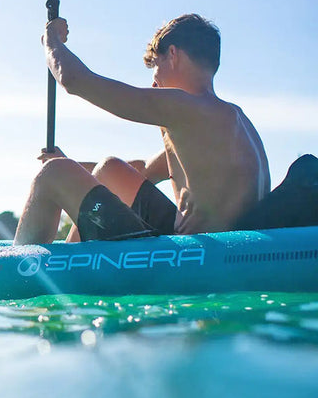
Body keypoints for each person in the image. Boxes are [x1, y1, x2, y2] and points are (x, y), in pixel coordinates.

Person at [14, 13, 270, 245]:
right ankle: (75, 257)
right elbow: (145, 170)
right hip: (225, 245)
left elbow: (74, 80)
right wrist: (73, 164)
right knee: (110, 168)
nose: (154, 81)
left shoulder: (185, 106)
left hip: (197, 256)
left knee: (52, 174)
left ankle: (24, 273)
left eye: (155, 67)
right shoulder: (232, 120)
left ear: (173, 54)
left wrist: (50, 40)